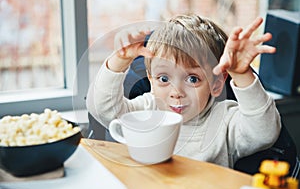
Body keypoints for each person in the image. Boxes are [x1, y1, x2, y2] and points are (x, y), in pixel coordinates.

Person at [86, 14, 281, 168]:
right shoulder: (146, 110)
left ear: (216, 84)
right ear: (151, 79)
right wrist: (119, 61)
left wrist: (241, 74)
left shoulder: (225, 120)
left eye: (192, 79)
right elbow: (102, 109)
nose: (176, 92)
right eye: (164, 79)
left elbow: (264, 133)